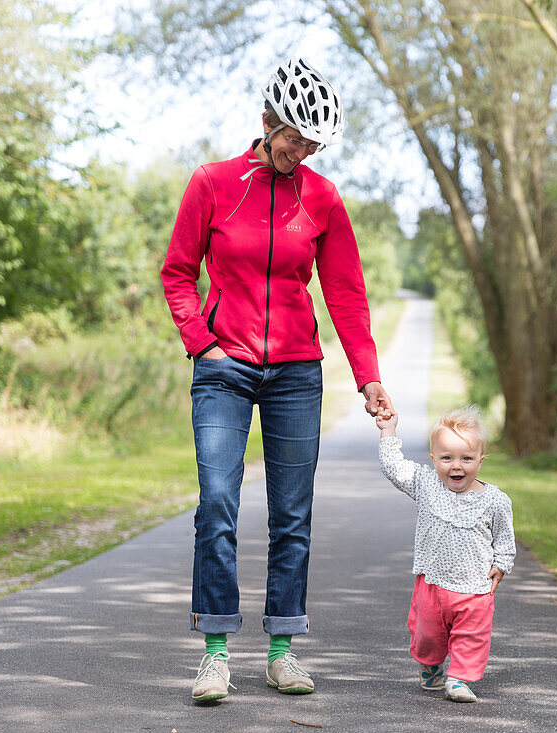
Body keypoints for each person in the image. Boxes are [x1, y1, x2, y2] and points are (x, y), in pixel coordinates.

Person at [161, 58, 392, 703]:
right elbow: (178, 272)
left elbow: (346, 295)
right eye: (296, 136)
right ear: (268, 123)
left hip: (296, 374)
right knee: (217, 503)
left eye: (313, 143)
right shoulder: (212, 183)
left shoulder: (322, 199)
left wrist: (368, 377)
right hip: (224, 369)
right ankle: (214, 652)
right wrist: (201, 343)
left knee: (291, 513)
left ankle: (283, 649)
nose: (304, 149)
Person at [376, 406, 516, 703]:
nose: (457, 466)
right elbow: (395, 468)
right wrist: (388, 430)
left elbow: (504, 538)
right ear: (433, 459)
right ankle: (432, 666)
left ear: (480, 459)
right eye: (447, 458)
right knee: (427, 636)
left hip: (475, 590)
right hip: (433, 585)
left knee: (471, 638)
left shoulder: (495, 500)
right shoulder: (426, 485)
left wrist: (501, 564)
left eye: (466, 458)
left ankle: (459, 679)